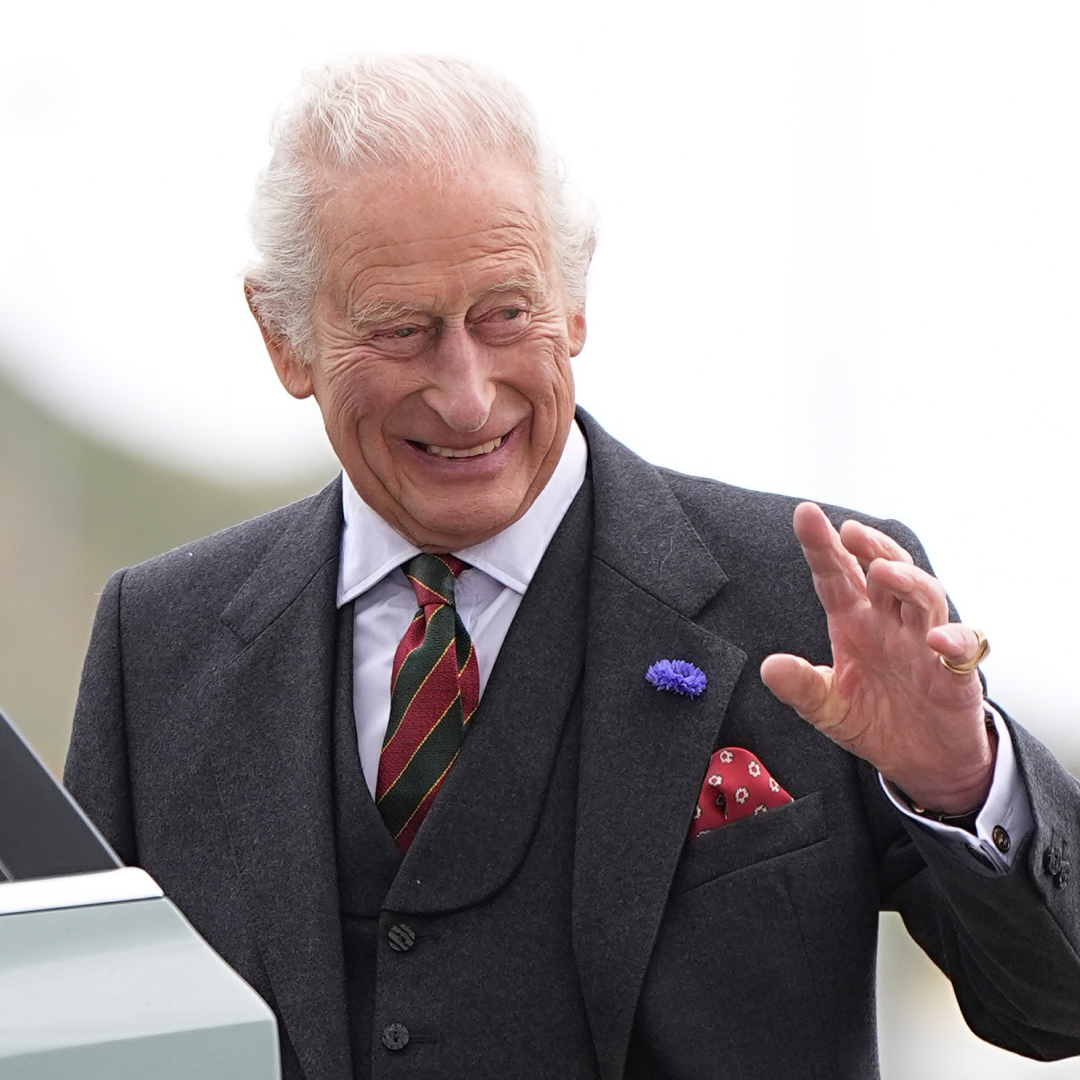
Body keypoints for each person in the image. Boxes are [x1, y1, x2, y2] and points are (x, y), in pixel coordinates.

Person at [64, 54, 1080, 1080]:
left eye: (505, 313)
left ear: (576, 301)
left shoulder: (812, 603)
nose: (466, 395)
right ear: (284, 338)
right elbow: (77, 1041)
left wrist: (961, 782)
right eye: (401, 331)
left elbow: (1056, 1008)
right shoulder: (157, 647)